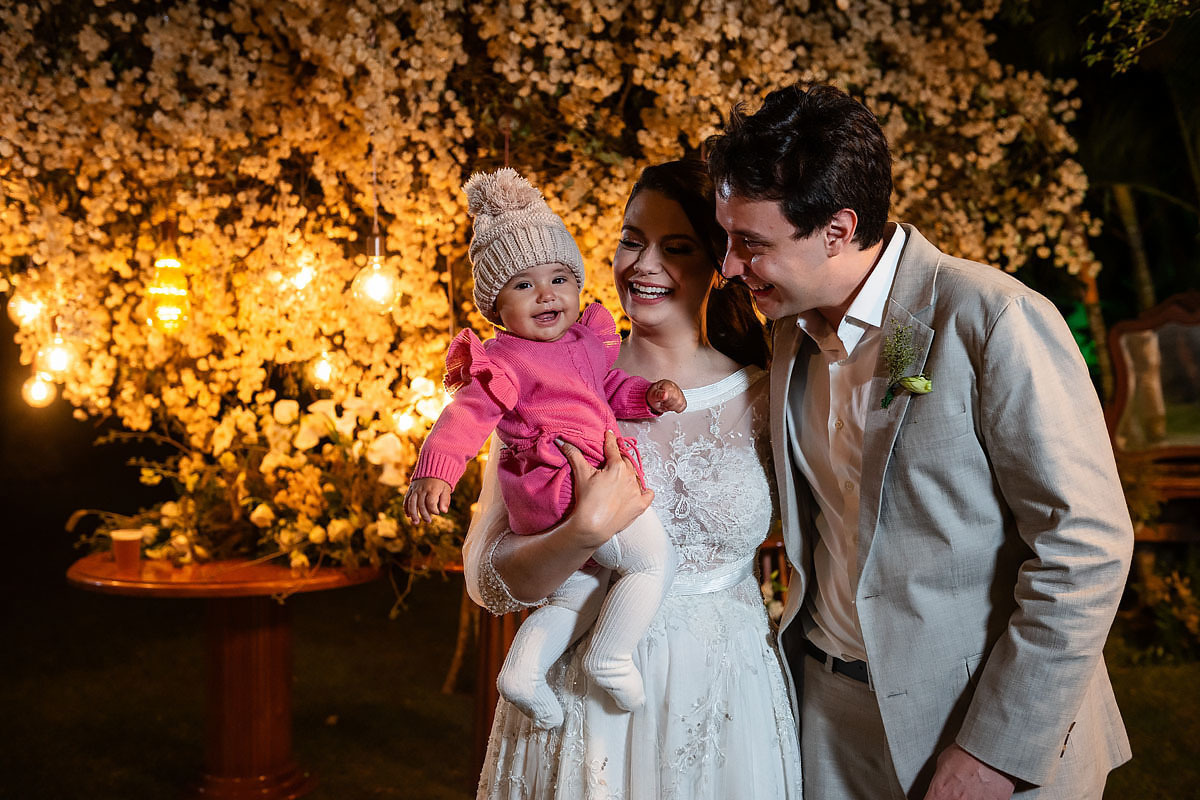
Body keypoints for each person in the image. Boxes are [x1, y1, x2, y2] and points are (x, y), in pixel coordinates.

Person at [705, 83, 1134, 800]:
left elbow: (1085, 549)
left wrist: (993, 752)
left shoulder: (992, 318)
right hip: (828, 718)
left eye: (750, 243)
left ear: (837, 231)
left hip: (974, 728)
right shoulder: (788, 333)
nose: (728, 266)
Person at [463, 160, 803, 798]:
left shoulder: (768, 391)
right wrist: (581, 533)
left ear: (720, 261)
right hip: (581, 698)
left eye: (676, 248)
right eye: (631, 240)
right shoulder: (554, 385)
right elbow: (488, 582)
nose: (644, 265)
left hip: (724, 691)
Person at [406, 167, 686, 729]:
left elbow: (605, 392)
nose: (546, 296)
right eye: (523, 285)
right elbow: (466, 414)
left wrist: (648, 396)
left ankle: (524, 673)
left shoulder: (583, 342)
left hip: (555, 491)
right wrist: (436, 469)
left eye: (559, 279)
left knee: (577, 587)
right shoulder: (505, 359)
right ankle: (611, 656)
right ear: (495, 305)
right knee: (655, 560)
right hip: (559, 480)